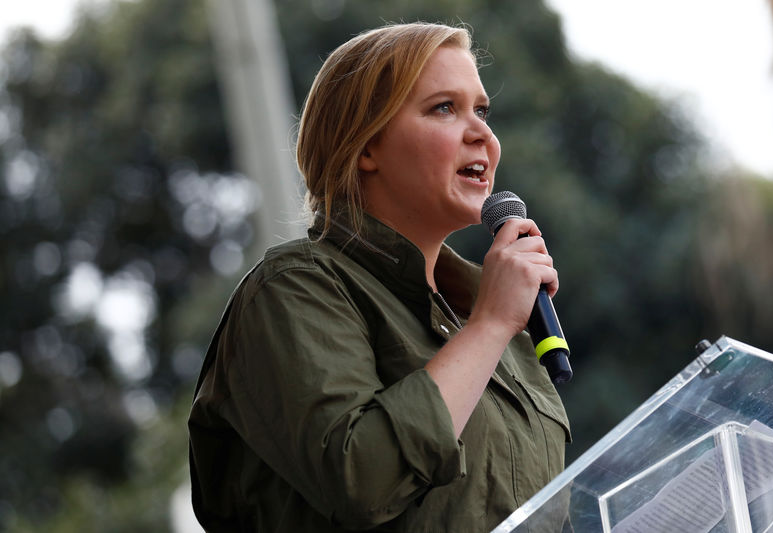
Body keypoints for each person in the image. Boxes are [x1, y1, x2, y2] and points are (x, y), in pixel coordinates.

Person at [188, 22, 570, 532]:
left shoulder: (498, 317)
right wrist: (491, 326)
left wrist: (493, 322)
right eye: (444, 108)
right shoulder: (295, 288)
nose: (482, 133)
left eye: (481, 110)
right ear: (366, 146)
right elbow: (361, 478)